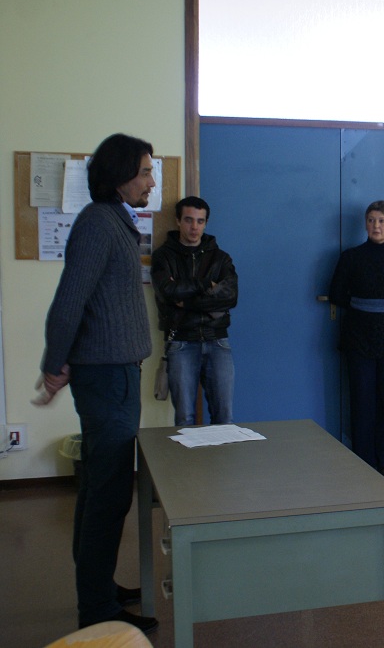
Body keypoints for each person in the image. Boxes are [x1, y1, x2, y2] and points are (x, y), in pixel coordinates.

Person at [39, 134, 158, 633]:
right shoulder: (97, 223)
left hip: (115, 374)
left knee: (100, 489)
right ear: (119, 176)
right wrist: (55, 363)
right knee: (107, 494)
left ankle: (99, 588)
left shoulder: (114, 220)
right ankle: (97, 609)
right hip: (106, 378)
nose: (152, 181)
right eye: (145, 171)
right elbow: (70, 299)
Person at [328, 200, 384, 476]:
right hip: (358, 338)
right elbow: (336, 294)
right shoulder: (351, 257)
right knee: (362, 400)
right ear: (365, 224)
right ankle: (363, 459)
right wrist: (362, 306)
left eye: (381, 221)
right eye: (371, 220)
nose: (375, 226)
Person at [151, 196, 238, 426]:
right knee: (185, 418)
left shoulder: (221, 258)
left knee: (224, 417)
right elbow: (169, 291)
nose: (194, 227)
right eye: (189, 220)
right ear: (178, 221)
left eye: (200, 221)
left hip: (217, 340)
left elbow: (230, 297)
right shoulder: (163, 256)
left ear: (206, 223)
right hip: (181, 341)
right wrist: (206, 285)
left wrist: (187, 301)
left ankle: (222, 452)